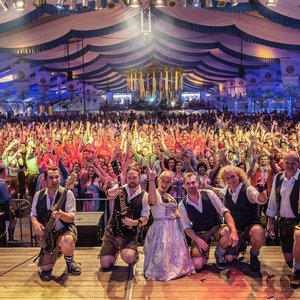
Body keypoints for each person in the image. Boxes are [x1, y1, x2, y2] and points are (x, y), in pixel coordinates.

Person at [178, 172, 239, 271]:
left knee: (227, 231)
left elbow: (225, 212)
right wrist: (198, 240)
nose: (191, 186)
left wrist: (234, 230)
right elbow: (187, 228)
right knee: (197, 265)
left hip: (215, 228)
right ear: (184, 186)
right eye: (188, 183)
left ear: (198, 183)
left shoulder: (209, 194)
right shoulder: (182, 205)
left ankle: (219, 252)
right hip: (199, 234)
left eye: (193, 182)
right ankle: (204, 256)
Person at [144, 168, 195, 281]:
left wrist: (179, 216)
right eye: (163, 180)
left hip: (174, 229)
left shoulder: (170, 196)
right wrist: (151, 180)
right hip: (161, 228)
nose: (165, 183)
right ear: (158, 180)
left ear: (171, 183)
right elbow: (152, 200)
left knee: (175, 255)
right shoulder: (154, 193)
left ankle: (177, 269)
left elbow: (175, 209)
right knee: (162, 256)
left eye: (168, 182)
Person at [215, 165, 268, 272]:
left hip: (250, 228)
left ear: (239, 176)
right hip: (235, 231)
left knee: (258, 232)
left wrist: (262, 191)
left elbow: (260, 199)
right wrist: (205, 186)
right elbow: (218, 191)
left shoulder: (248, 189)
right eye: (227, 178)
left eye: (233, 176)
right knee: (229, 258)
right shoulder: (226, 191)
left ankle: (254, 255)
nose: (231, 180)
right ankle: (240, 245)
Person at [30, 166, 81, 276]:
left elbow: (72, 217)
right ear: (45, 179)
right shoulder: (38, 195)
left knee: (66, 241)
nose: (54, 180)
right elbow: (33, 214)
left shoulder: (68, 194)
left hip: (64, 229)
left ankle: (70, 262)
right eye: (51, 177)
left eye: (56, 177)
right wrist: (36, 223)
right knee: (45, 268)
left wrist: (61, 214)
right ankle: (57, 251)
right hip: (49, 234)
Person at [100, 165, 150, 269]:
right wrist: (112, 192)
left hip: (129, 232)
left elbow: (145, 218)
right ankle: (115, 250)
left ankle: (133, 254)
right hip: (113, 229)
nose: (132, 180)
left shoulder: (144, 195)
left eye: (134, 177)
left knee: (128, 257)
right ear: (126, 178)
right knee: (105, 264)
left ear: (139, 177)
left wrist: (134, 222)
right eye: (129, 178)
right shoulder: (120, 187)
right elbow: (108, 194)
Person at [266, 151, 300, 287]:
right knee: (288, 258)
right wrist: (270, 221)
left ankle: (297, 272)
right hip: (283, 220)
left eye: (293, 163)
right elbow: (273, 200)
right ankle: (296, 264)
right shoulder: (279, 177)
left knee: (298, 236)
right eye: (287, 163)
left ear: (298, 163)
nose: (290, 165)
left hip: (298, 219)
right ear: (283, 163)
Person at [0, 165, 17, 241]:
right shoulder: (2, 183)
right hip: (3, 206)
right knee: (13, 220)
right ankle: (11, 239)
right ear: (3, 172)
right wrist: (11, 194)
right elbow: (6, 198)